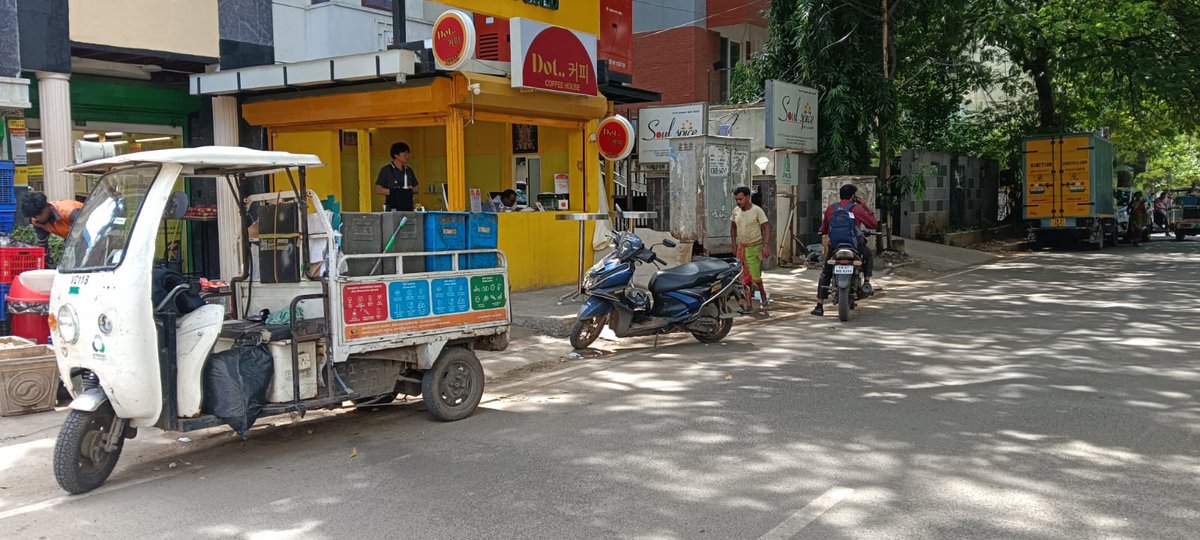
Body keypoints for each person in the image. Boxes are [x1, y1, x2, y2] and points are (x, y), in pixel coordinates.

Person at [812, 184, 878, 317]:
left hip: (835, 247)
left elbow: (824, 229)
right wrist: (865, 206)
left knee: (826, 271)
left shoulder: (832, 209)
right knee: (868, 255)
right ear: (854, 196)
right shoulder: (857, 209)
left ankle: (819, 306)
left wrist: (823, 231)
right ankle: (866, 283)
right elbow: (873, 224)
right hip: (854, 246)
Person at [730, 186, 771, 309]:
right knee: (743, 276)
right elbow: (732, 227)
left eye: (741, 199)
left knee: (755, 276)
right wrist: (733, 243)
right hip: (741, 248)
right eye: (736, 199)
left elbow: (766, 227)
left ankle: (762, 293)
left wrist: (766, 245)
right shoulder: (736, 211)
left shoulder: (757, 211)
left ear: (747, 197)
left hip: (754, 248)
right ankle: (749, 303)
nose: (738, 202)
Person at [375, 142, 419, 211]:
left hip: (408, 207)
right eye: (405, 154)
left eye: (408, 154)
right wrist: (395, 192)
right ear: (396, 155)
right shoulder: (386, 170)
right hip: (392, 207)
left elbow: (416, 188)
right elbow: (378, 190)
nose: (407, 156)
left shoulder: (409, 170)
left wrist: (407, 191)